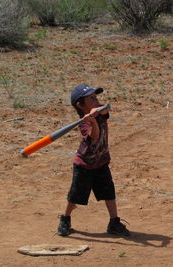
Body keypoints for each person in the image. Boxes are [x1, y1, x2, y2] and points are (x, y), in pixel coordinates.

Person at [57, 83, 130, 237]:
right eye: (91, 99)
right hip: (84, 164)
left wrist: (96, 111)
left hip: (101, 161)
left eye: (95, 97)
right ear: (80, 105)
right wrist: (92, 122)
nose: (96, 100)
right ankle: (65, 219)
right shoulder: (83, 123)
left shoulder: (100, 111)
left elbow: (107, 107)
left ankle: (114, 222)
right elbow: (94, 136)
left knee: (109, 192)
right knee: (75, 195)